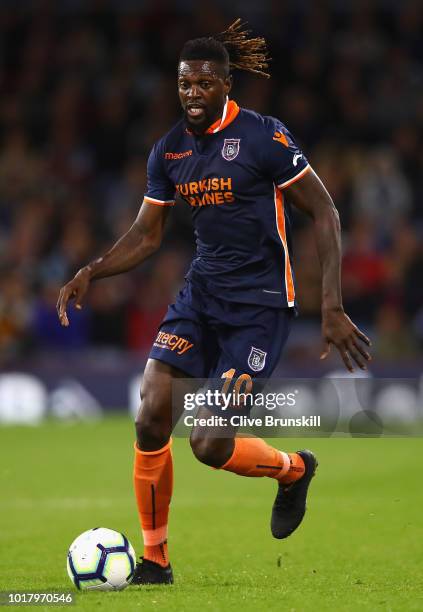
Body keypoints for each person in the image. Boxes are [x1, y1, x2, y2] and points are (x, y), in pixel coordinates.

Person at [57, 19, 371, 585]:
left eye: (204, 84)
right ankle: (155, 560)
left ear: (226, 84)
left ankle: (295, 470)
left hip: (260, 308)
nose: (193, 95)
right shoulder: (170, 151)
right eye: (184, 85)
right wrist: (92, 271)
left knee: (207, 442)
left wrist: (331, 306)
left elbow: (325, 210)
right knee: (152, 412)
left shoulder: (262, 137)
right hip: (201, 298)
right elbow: (147, 234)